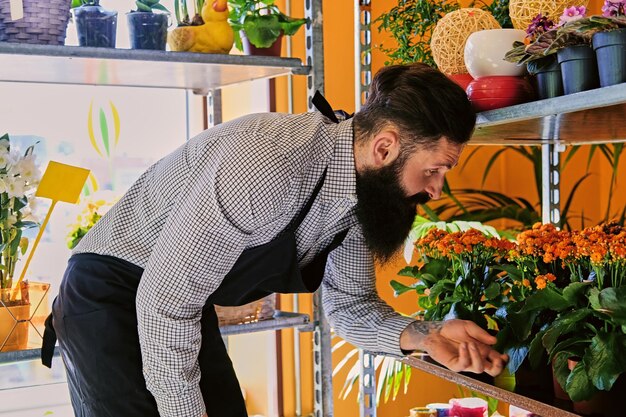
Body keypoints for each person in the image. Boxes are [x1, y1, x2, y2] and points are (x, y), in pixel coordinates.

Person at [42, 63, 508, 417]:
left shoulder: (364, 193)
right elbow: (165, 304)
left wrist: (426, 337)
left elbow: (351, 307)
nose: (435, 190)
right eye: (433, 170)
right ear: (384, 147)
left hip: (177, 304)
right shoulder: (268, 167)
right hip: (109, 295)